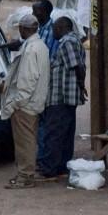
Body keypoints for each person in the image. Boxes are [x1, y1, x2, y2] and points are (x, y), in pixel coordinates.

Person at [0, 11, 50, 189]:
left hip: (26, 104)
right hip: (34, 101)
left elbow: (27, 82)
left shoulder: (31, 50)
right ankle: (24, 174)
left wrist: (15, 104)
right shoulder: (40, 46)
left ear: (23, 29)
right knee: (27, 140)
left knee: (25, 143)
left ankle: (25, 177)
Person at [39, 16, 87, 180]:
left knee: (53, 133)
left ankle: (49, 168)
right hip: (67, 95)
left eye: (54, 29)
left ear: (60, 28)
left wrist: (81, 85)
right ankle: (60, 166)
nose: (52, 32)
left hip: (61, 95)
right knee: (64, 133)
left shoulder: (67, 42)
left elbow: (77, 66)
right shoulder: (73, 41)